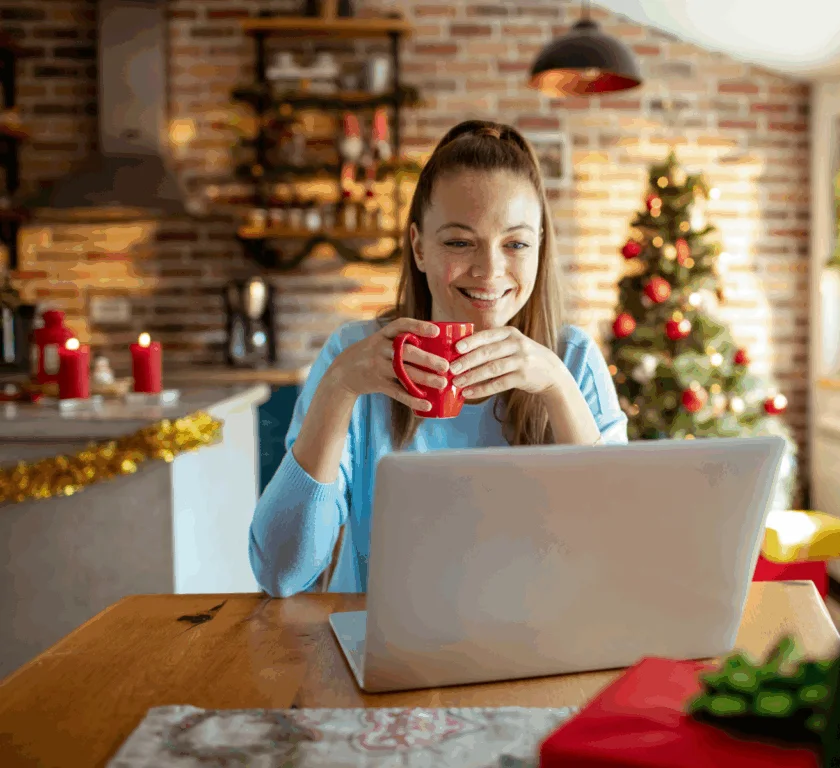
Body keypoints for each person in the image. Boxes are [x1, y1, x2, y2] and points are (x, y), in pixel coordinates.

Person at [249, 120, 628, 597]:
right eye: (458, 242)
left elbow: (618, 556)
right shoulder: (355, 358)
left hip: (535, 640)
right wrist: (338, 388)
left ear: (539, 248)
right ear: (418, 247)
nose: (490, 271)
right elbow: (280, 573)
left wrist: (556, 387)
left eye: (515, 243)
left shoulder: (571, 360)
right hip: (379, 645)